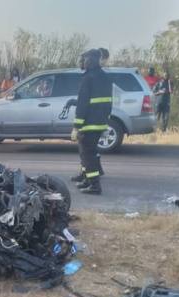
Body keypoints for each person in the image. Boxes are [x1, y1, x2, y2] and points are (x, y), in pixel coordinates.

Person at [69, 48, 112, 195]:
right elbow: (107, 102)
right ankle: (87, 179)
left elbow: (83, 103)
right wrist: (106, 122)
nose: (82, 62)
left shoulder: (88, 78)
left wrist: (76, 126)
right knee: (88, 153)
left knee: (88, 154)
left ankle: (94, 185)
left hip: (88, 124)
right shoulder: (104, 77)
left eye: (84, 59)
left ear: (91, 60)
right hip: (99, 121)